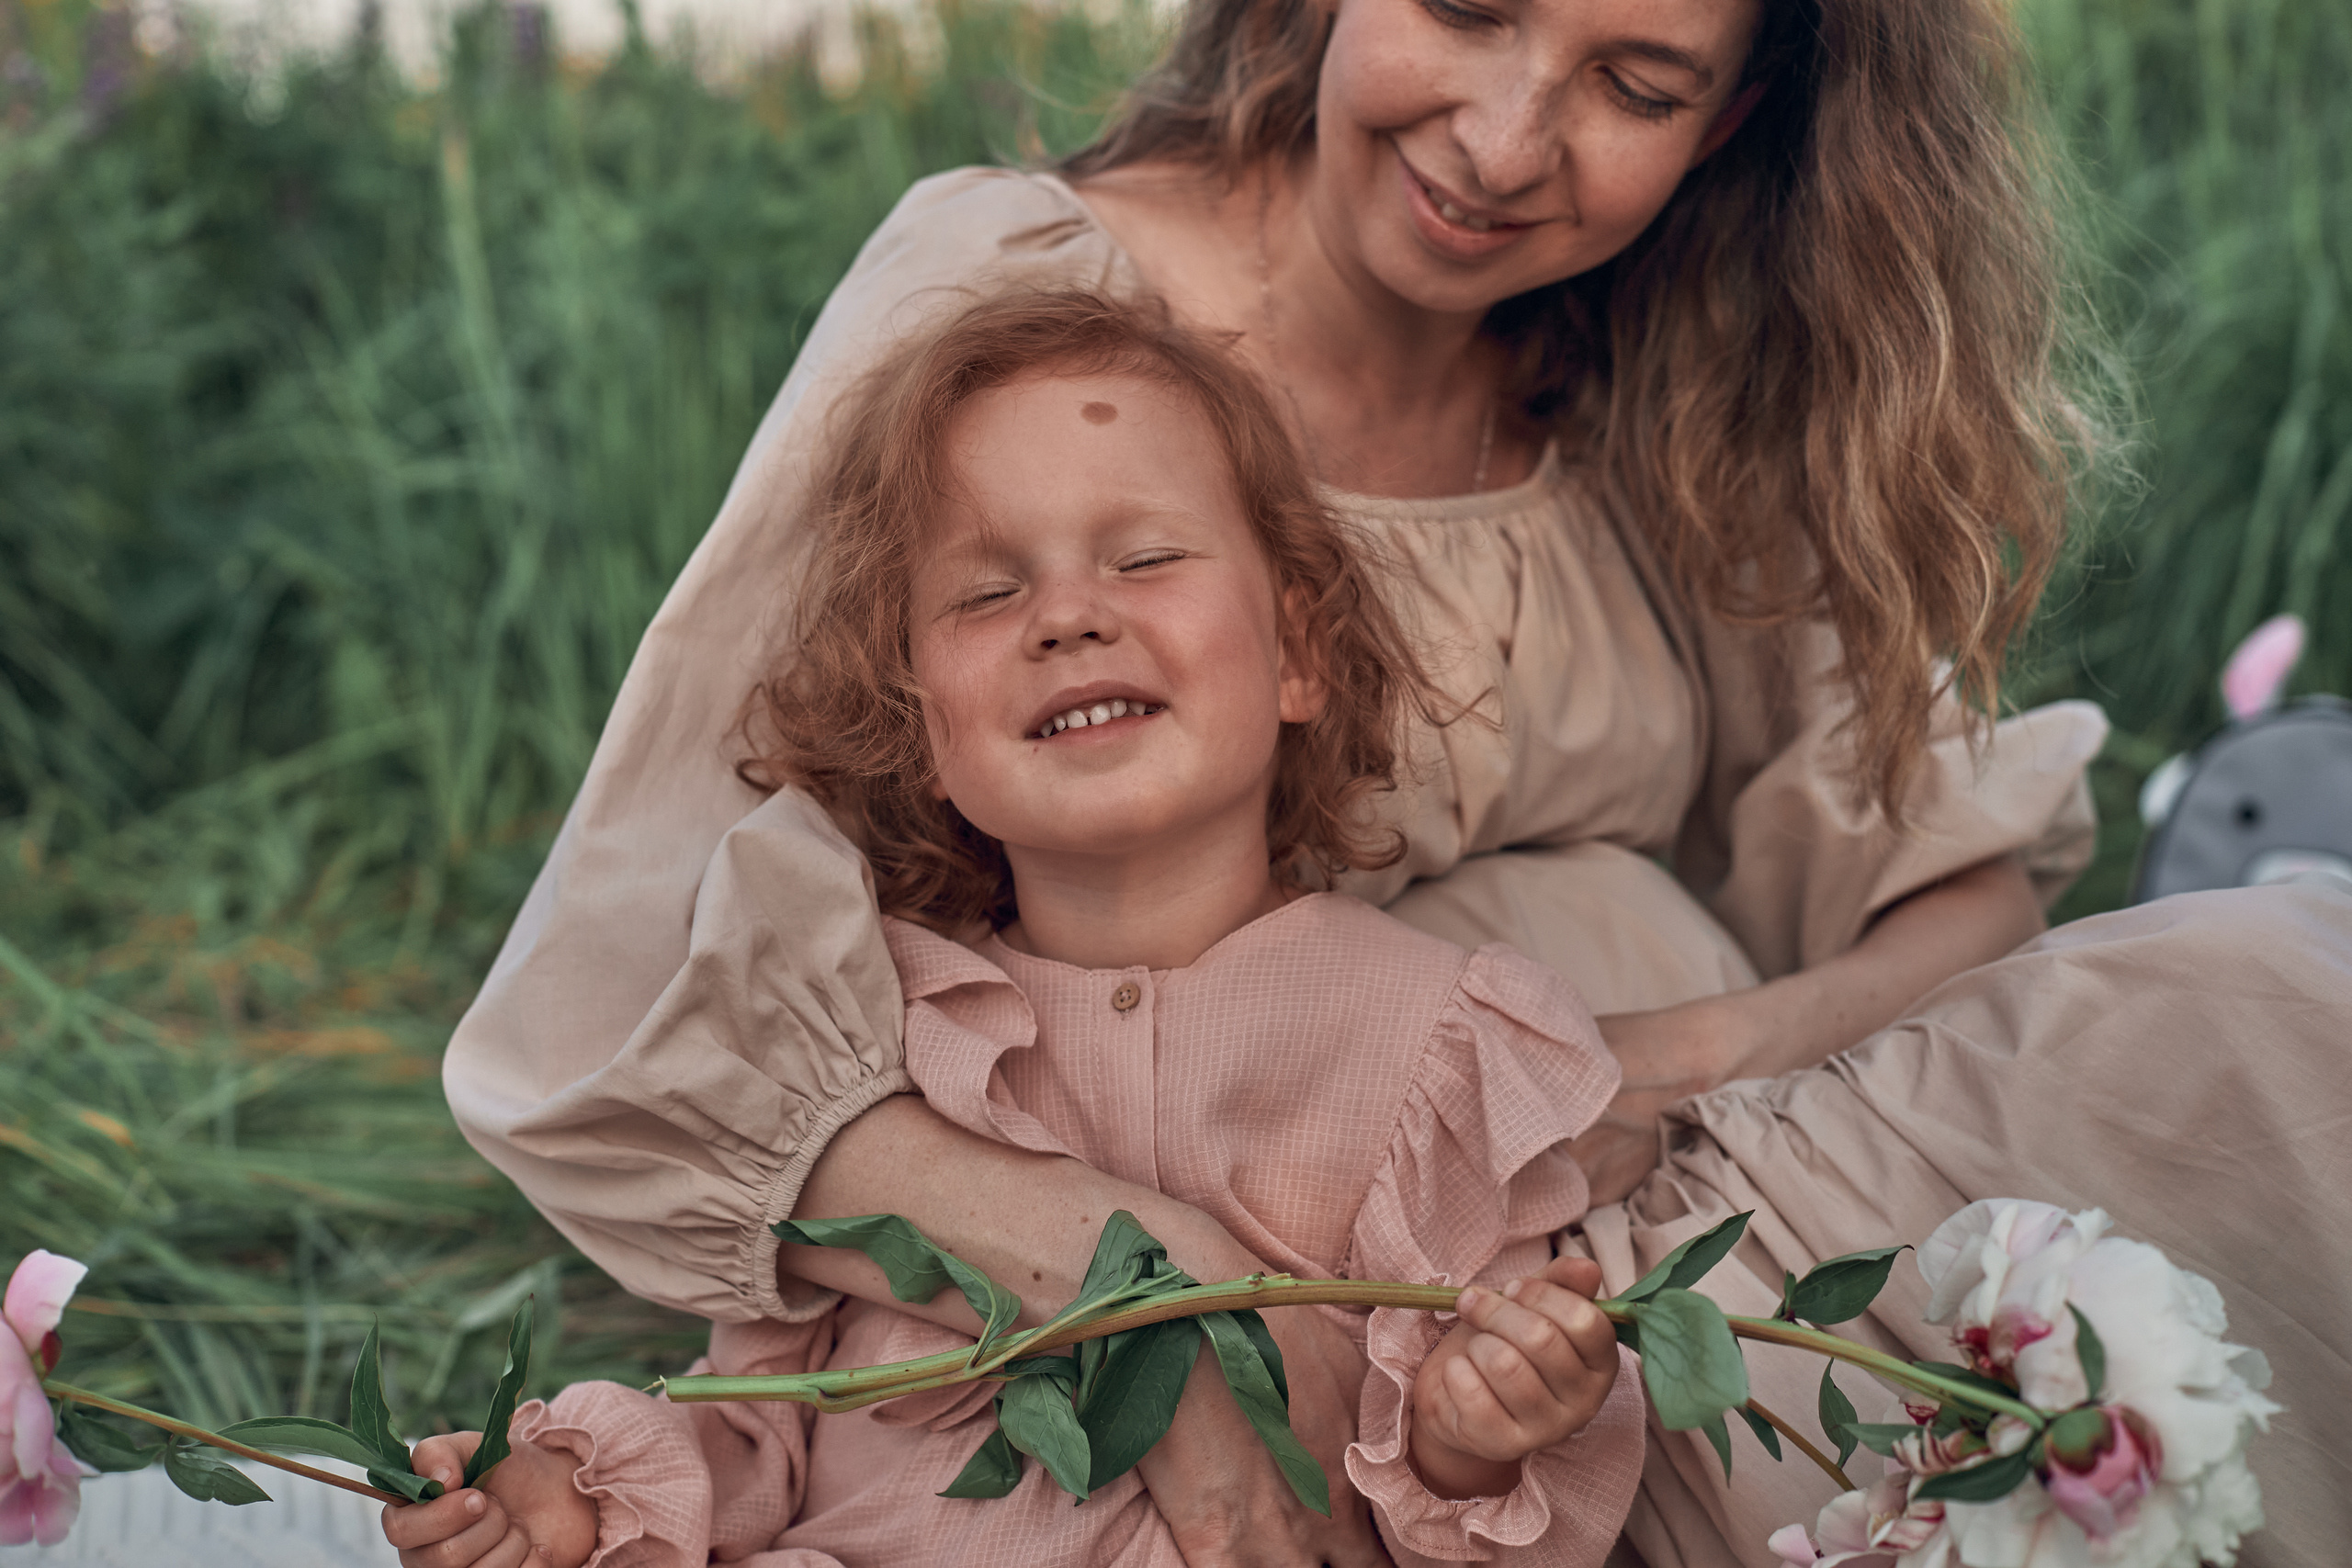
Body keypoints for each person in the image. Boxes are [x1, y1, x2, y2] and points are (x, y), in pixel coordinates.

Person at [440, 0, 2352, 1562]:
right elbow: (611, 994)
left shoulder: (1673, 364)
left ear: (1731, 114)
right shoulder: (1018, 303)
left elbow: (1954, 880)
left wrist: (1669, 1059)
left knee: (2282, 1004)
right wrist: (1147, 1289)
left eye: (1632, 83)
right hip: (1363, 1314)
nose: (1507, 141)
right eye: (1466, 8)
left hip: (1675, 1217)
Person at [389, 290, 1649, 1568]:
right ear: (919, 721)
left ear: (1298, 649)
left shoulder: (1432, 1054)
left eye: (1143, 558)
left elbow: (1468, 1518)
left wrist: (1474, 1435)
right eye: (988, 592)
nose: (1066, 615)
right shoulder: (867, 1036)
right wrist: (568, 1501)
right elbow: (755, 1430)